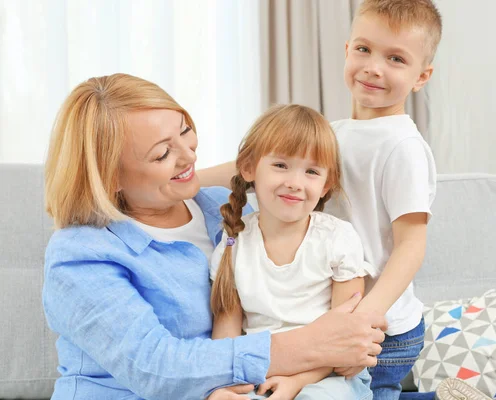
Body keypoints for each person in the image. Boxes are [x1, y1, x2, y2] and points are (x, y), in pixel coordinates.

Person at [41, 73, 387, 400]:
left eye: (185, 130)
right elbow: (154, 366)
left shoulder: (225, 211)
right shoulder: (81, 254)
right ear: (108, 178)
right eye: (162, 153)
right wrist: (314, 344)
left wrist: (351, 344)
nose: (190, 154)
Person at [208, 104, 375, 400]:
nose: (294, 183)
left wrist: (298, 381)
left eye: (311, 171)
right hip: (258, 373)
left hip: (328, 373)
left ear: (327, 185)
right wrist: (226, 388)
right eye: (281, 165)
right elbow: (226, 342)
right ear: (249, 168)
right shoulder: (234, 244)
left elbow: (347, 339)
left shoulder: (337, 239)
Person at [323, 1, 442, 399]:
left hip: (382, 327)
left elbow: (411, 244)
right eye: (364, 49)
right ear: (346, 50)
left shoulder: (402, 146)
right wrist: (186, 177)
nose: (374, 67)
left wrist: (367, 318)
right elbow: (259, 163)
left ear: (421, 76)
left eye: (395, 58)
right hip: (340, 318)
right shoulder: (334, 132)